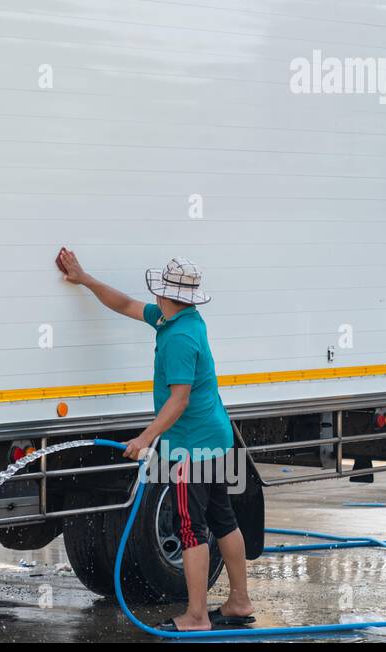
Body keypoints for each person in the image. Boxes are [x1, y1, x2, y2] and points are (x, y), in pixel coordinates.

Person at [56, 248, 254, 632]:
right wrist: (87, 279)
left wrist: (146, 437)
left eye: (160, 290)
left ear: (168, 295)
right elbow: (126, 304)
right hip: (217, 437)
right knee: (223, 520)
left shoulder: (179, 338)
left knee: (191, 529)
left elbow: (179, 400)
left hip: (191, 448)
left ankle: (197, 616)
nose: (154, 297)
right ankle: (239, 601)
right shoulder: (182, 320)